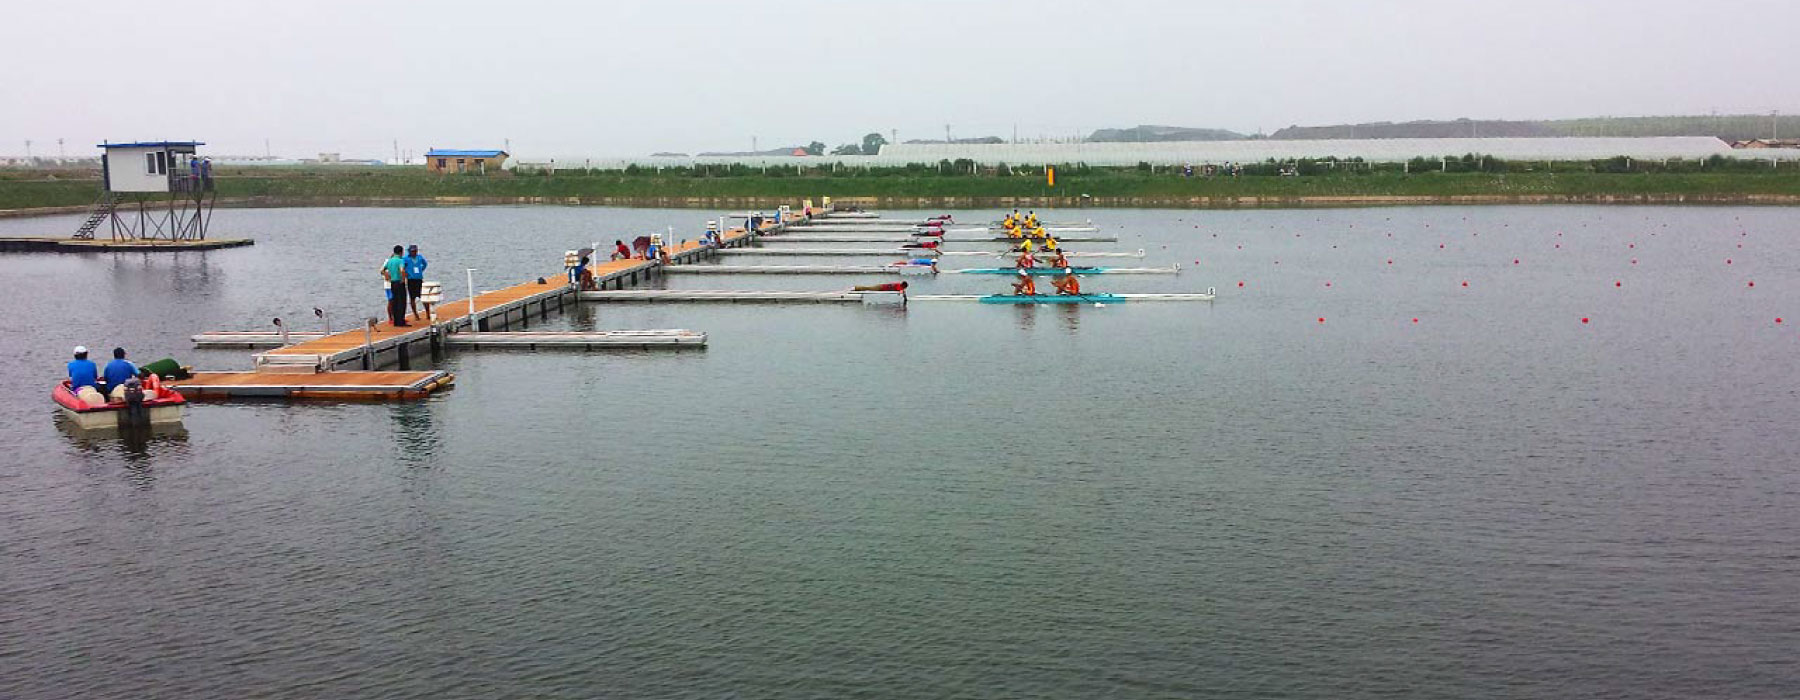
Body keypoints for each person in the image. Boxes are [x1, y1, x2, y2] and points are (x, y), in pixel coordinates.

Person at [381, 245, 409, 327]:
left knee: (395, 302)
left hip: (392, 283)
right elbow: (402, 270)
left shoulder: (390, 261)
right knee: (402, 302)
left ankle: (396, 321)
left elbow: (383, 270)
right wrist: (403, 279)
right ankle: (401, 321)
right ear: (401, 252)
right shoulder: (400, 260)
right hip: (399, 282)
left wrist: (387, 276)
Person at [403, 244, 428, 321]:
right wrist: (406, 273)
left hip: (419, 279)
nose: (414, 252)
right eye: (412, 251)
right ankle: (416, 315)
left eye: (415, 251)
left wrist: (421, 270)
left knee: (423, 297)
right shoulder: (406, 258)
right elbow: (402, 267)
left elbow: (425, 264)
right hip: (411, 279)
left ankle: (428, 313)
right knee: (412, 297)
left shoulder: (419, 257)